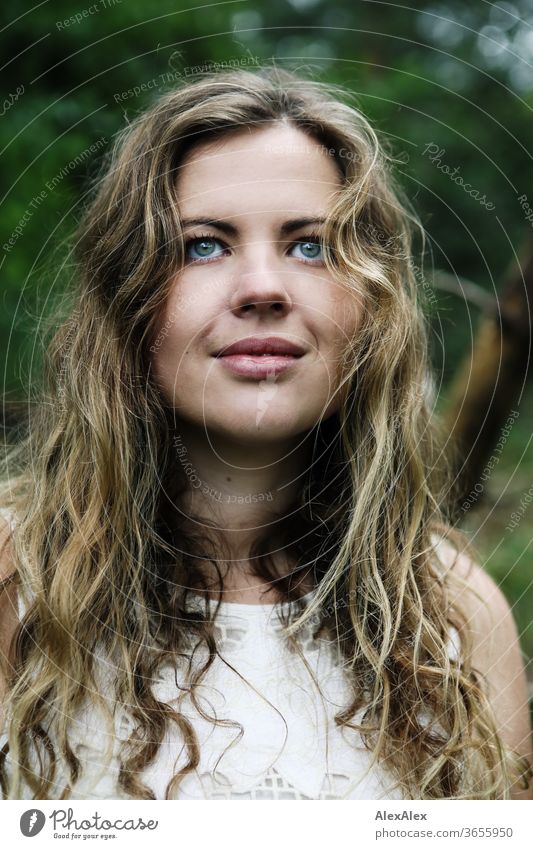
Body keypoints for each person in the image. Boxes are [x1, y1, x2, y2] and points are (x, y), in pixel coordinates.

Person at [0, 65, 531, 801]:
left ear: (370, 307)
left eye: (310, 245)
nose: (262, 287)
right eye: (204, 245)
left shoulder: (452, 610)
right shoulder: (15, 578)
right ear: (129, 297)